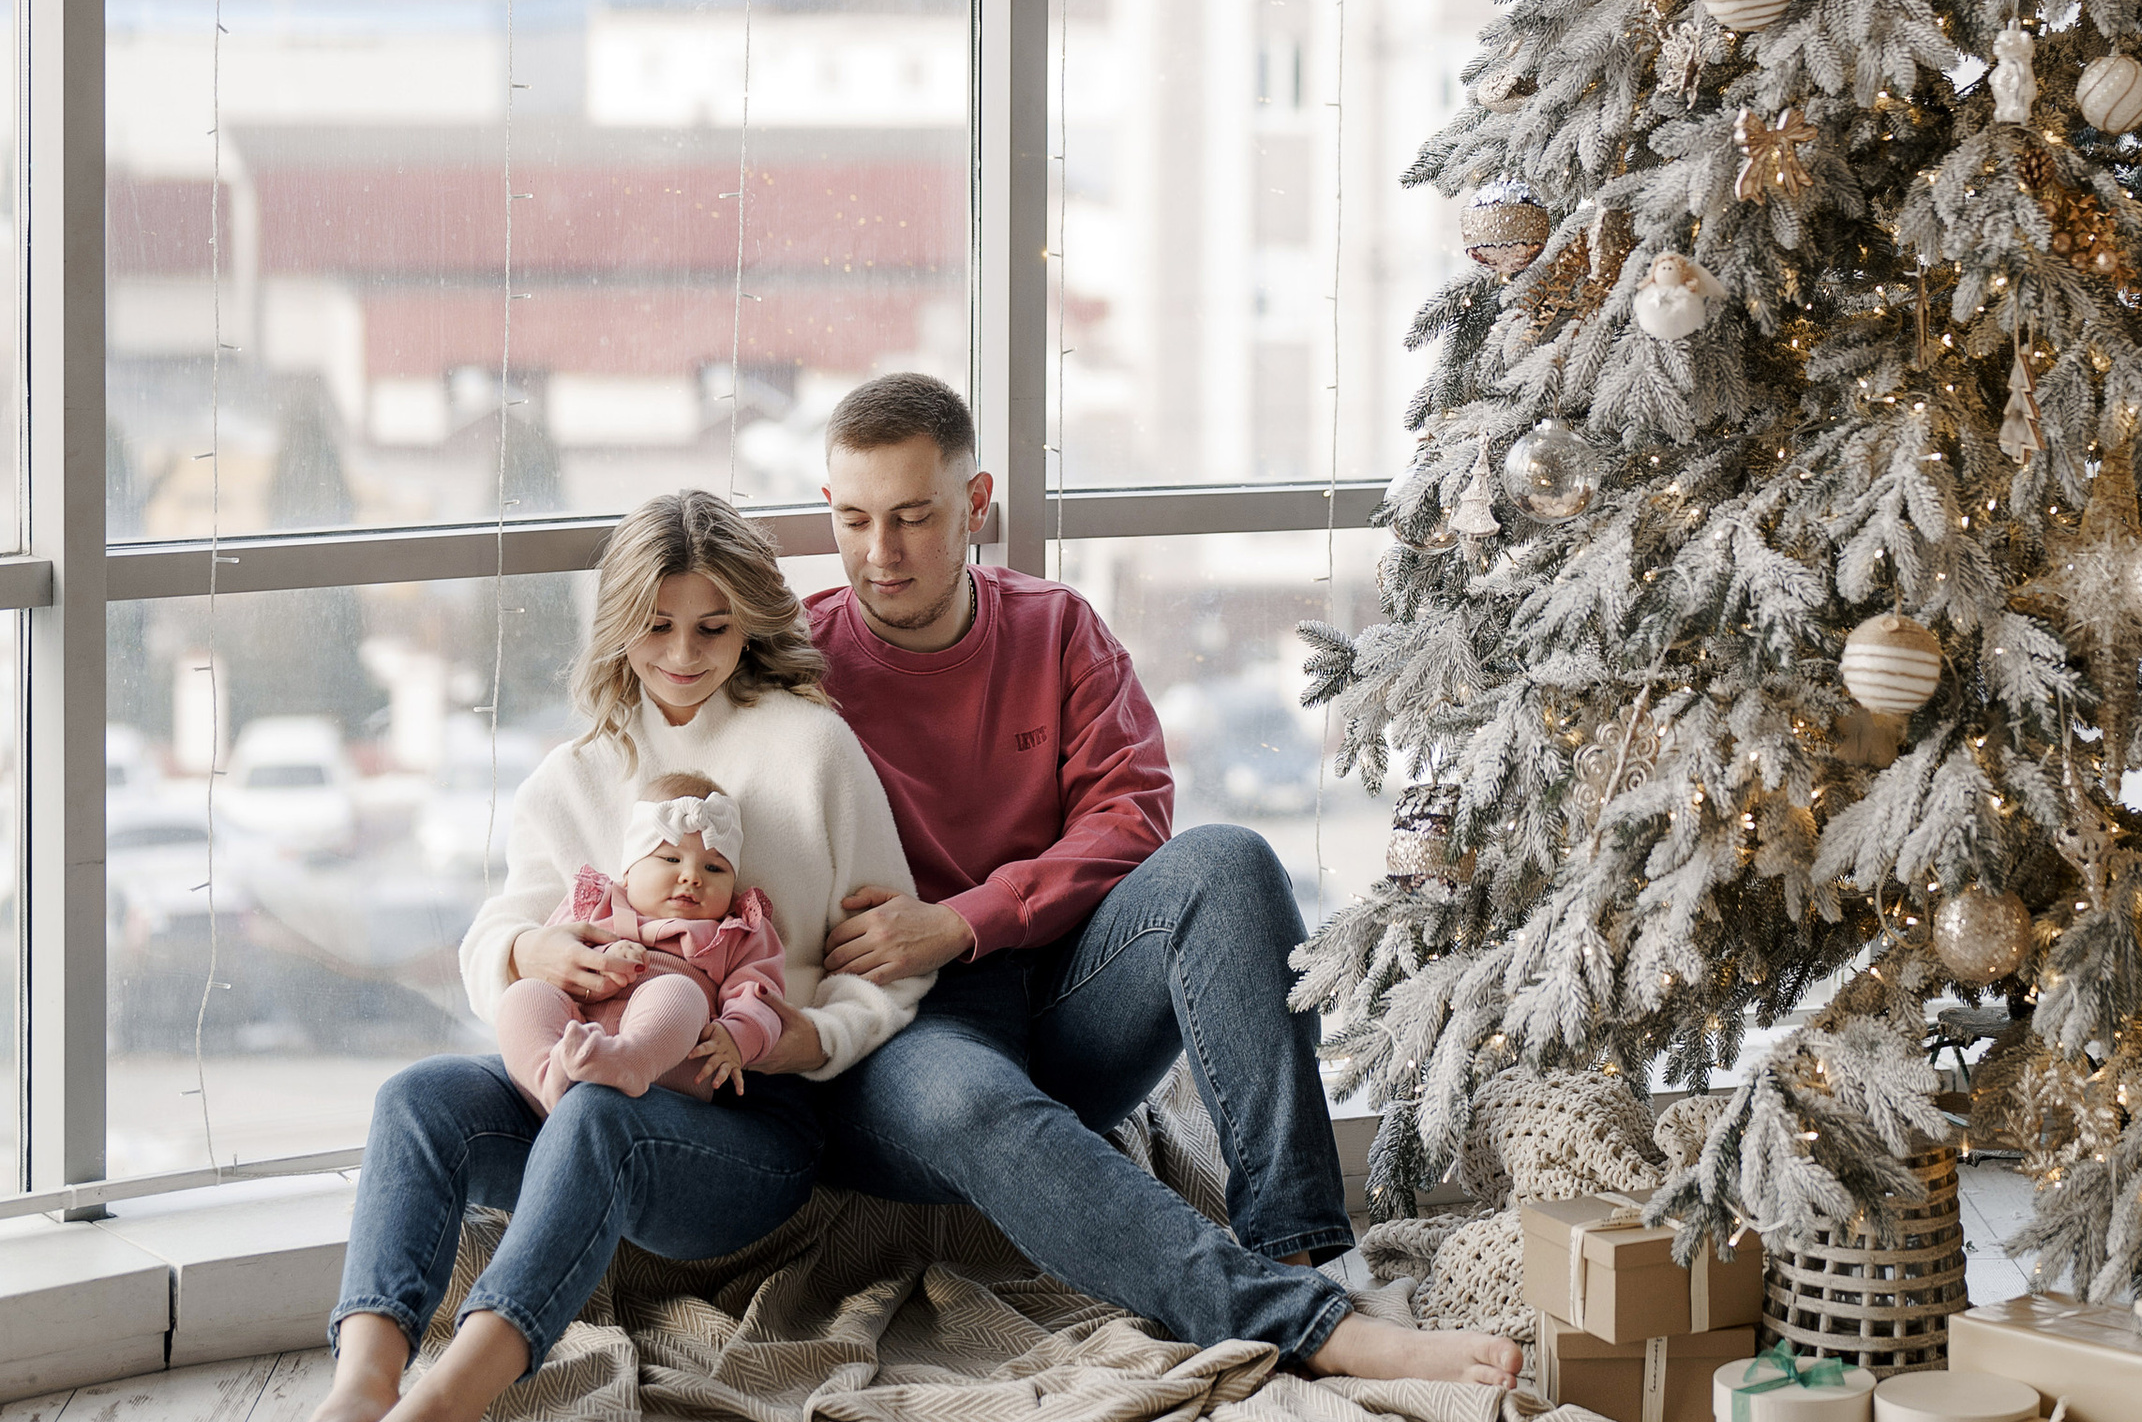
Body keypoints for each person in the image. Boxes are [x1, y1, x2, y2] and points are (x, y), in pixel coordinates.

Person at [790, 371, 1522, 1390]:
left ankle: (1307, 1256)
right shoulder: (797, 665)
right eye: (856, 520)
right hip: (905, 1031)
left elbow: (1131, 818)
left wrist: (962, 921)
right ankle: (1308, 1327)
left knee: (1227, 860)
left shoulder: (1055, 627)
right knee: (967, 1099)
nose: (882, 553)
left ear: (976, 502)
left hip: (1064, 1001)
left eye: (913, 516)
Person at [314, 492, 930, 1422]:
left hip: (745, 1121)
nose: (683, 654)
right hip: (572, 1079)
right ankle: (361, 1386)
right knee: (417, 1099)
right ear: (617, 624)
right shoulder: (573, 773)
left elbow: (890, 963)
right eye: (656, 625)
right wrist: (534, 948)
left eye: (712, 627)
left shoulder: (814, 750)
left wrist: (805, 1037)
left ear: (749, 622)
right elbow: (494, 938)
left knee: (599, 1112)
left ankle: (448, 1399)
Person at [493, 770, 786, 1108]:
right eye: (671, 859)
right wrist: (603, 955)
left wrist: (737, 1035)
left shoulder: (736, 930)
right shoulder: (596, 904)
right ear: (629, 872)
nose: (691, 877)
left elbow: (760, 992)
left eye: (714, 868)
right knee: (525, 994)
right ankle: (550, 1081)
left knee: (680, 990)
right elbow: (556, 956)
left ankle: (629, 1062)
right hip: (576, 1038)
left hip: (669, 1067)